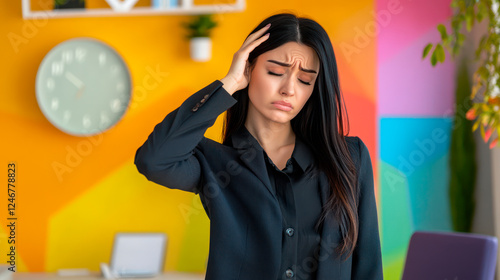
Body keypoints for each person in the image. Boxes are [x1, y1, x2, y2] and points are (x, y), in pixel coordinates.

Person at [134, 13, 383, 280]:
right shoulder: (214, 163)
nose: (289, 89)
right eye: (275, 72)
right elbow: (154, 160)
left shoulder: (349, 157)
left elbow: (367, 265)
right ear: (249, 69)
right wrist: (228, 83)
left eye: (305, 80)